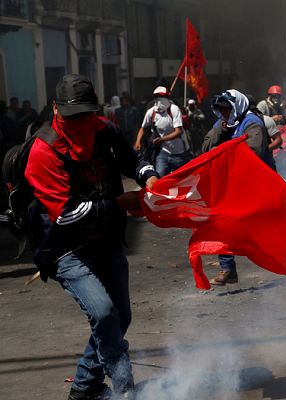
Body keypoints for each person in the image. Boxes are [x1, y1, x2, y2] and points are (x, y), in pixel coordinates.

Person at [24, 74, 159, 400]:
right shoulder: (44, 151)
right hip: (64, 248)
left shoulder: (104, 129)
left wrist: (150, 176)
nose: (82, 123)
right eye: (74, 116)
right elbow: (66, 214)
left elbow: (132, 159)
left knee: (119, 317)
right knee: (103, 313)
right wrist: (120, 203)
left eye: (87, 114)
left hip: (106, 239)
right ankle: (125, 390)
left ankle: (84, 388)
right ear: (56, 110)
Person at [208, 89, 273, 285]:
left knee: (270, 228)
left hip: (258, 185)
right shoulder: (223, 123)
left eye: (227, 109)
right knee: (220, 222)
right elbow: (205, 147)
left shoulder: (252, 123)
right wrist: (221, 130)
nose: (225, 114)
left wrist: (226, 151)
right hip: (233, 184)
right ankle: (228, 269)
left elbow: (252, 153)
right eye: (222, 110)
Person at [134, 86, 190, 177]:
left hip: (179, 153)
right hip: (162, 153)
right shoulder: (151, 112)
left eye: (162, 96)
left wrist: (162, 139)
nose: (160, 99)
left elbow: (178, 131)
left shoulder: (174, 109)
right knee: (160, 177)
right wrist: (137, 143)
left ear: (167, 97)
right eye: (157, 96)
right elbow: (143, 128)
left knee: (183, 178)